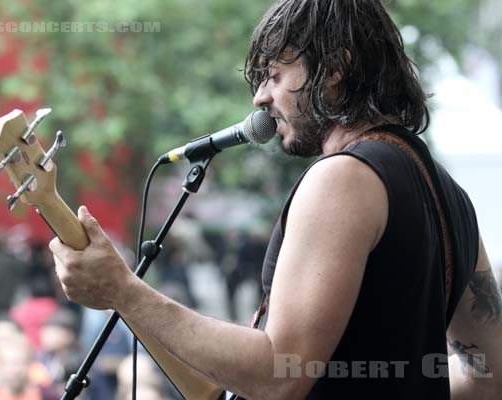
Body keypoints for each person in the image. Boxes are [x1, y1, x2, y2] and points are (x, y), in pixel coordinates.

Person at [49, 0, 502, 398]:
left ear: (336, 68)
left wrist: (125, 292)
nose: (260, 96)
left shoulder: (342, 178)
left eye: (275, 75)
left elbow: (278, 375)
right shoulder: (450, 195)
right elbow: (490, 378)